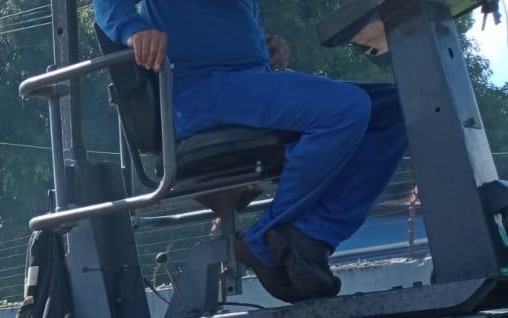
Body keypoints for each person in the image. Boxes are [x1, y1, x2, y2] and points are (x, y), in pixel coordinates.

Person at [95, 0, 407, 302]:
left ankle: (309, 233)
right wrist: (135, 31)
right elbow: (106, 5)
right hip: (199, 91)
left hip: (247, 82)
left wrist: (263, 47)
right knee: (346, 109)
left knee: (399, 106)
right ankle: (270, 239)